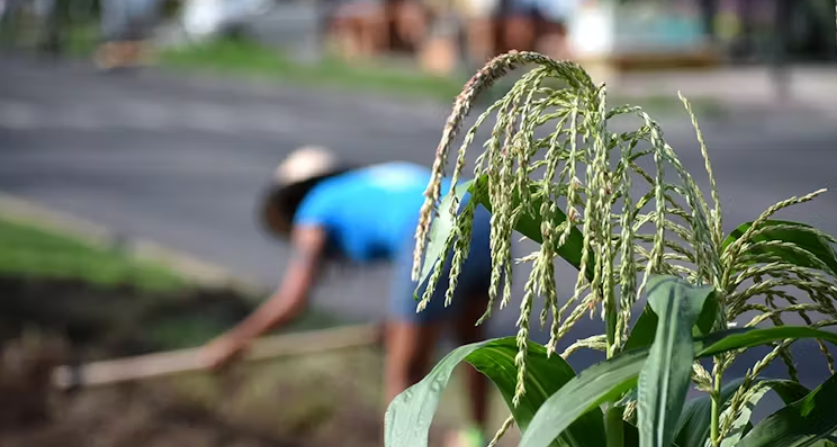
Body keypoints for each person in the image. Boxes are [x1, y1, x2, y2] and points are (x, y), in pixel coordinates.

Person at [199, 146, 493, 447]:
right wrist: (399, 326)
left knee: (406, 374)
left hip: (432, 229)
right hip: (485, 215)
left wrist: (233, 344)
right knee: (473, 345)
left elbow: (292, 300)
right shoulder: (372, 180)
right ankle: (477, 437)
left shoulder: (313, 209)